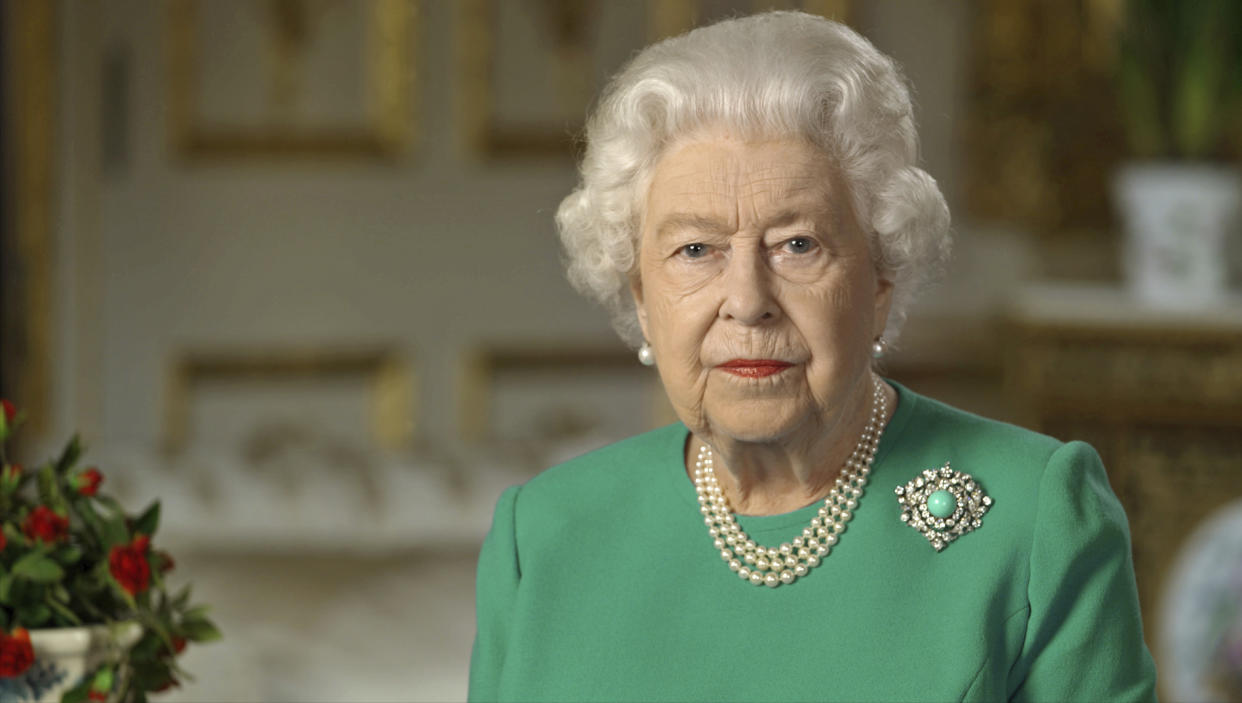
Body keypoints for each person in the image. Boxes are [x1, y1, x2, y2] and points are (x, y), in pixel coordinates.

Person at [469, 11, 1157, 702]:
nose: (747, 299)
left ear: (881, 279)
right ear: (643, 296)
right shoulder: (544, 535)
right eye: (696, 250)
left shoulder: (1035, 516)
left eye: (797, 244)